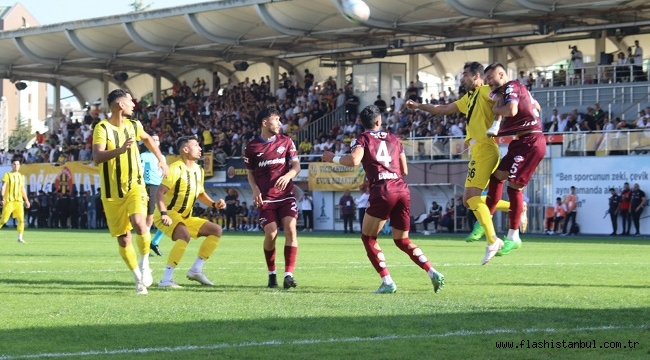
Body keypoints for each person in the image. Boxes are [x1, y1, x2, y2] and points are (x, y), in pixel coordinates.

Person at [322, 105, 444, 294]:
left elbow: (354, 161)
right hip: (402, 189)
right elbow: (404, 170)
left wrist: (333, 158)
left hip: (383, 190)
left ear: (362, 124)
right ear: (379, 121)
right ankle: (432, 271)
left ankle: (387, 281)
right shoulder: (394, 138)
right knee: (402, 240)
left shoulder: (362, 138)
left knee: (368, 237)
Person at [406, 62, 512, 262]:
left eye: (465, 75)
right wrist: (419, 106)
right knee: (468, 199)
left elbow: (503, 96)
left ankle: (493, 239)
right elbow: (444, 109)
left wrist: (500, 117)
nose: (462, 78)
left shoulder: (485, 91)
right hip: (477, 150)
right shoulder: (469, 97)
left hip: (485, 148)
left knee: (472, 198)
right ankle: (516, 207)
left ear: (477, 77)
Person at [92, 88, 169, 295]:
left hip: (135, 185)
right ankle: (138, 279)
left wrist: (162, 159)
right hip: (111, 193)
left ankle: (145, 265)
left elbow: (148, 139)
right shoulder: (102, 128)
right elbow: (97, 157)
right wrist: (120, 150)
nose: (134, 105)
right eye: (130, 102)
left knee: (139, 223)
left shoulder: (134, 125)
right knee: (124, 239)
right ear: (120, 105)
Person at [482, 63, 546, 264]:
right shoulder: (519, 88)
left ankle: (513, 236)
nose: (489, 82)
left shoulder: (511, 86)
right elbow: (537, 106)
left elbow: (511, 109)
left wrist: (496, 108)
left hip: (531, 142)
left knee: (514, 187)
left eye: (491, 77)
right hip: (521, 141)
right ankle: (487, 220)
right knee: (497, 177)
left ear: (502, 74)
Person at [155, 135, 226, 288]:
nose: (200, 148)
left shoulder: (199, 170)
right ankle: (166, 279)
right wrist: (164, 214)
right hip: (167, 213)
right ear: (185, 149)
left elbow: (200, 193)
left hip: (185, 216)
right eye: (196, 145)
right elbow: (159, 193)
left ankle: (196, 270)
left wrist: (214, 204)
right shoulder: (175, 168)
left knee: (216, 230)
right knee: (184, 235)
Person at [244, 107, 301, 290]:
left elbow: (296, 166)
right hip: (266, 199)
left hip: (286, 195)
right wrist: (254, 190)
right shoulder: (252, 147)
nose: (280, 123)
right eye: (276, 119)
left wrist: (288, 176)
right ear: (265, 122)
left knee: (291, 229)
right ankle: (272, 274)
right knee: (271, 233)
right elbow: (250, 174)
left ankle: (288, 275)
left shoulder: (286, 141)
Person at [141, 133, 164, 256]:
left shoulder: (162, 158)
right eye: (152, 140)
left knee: (168, 218)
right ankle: (145, 246)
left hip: (161, 188)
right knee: (149, 219)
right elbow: (140, 172)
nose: (155, 141)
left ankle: (154, 242)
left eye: (157, 140)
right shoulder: (144, 156)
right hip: (150, 187)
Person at [0, 158, 31, 242]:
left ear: (19, 166)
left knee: (21, 219)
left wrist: (27, 200)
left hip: (19, 201)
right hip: (9, 201)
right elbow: (3, 186)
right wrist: (2, 198)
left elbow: (22, 189)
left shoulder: (21, 176)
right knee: (4, 220)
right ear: (12, 165)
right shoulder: (7, 175)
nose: (16, 166)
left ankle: (20, 238)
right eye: (14, 164)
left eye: (17, 164)